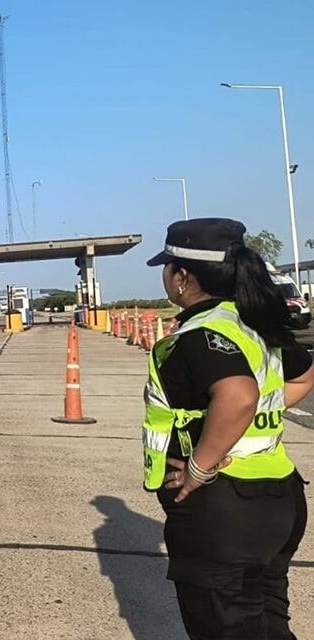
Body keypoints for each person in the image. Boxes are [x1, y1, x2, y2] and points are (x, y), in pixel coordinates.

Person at [143, 218, 314, 639]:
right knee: (269, 625)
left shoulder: (200, 334)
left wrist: (201, 465)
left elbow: (237, 397)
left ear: (182, 277)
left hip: (224, 510)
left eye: (167, 268)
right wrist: (243, 419)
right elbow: (303, 376)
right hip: (279, 500)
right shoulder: (254, 324)